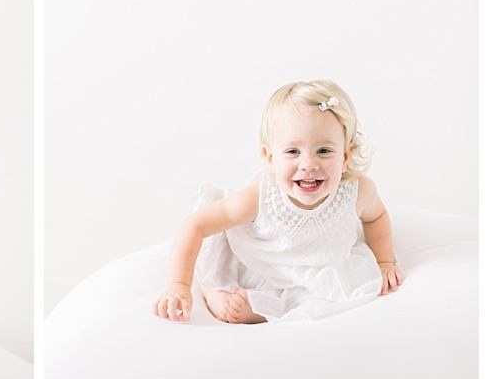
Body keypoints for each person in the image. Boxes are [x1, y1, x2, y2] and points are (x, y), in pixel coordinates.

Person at [153, 79, 402, 325]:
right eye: (293, 152)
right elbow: (196, 225)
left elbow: (376, 216)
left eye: (324, 151)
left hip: (314, 266)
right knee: (218, 264)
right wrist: (178, 284)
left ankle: (262, 310)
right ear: (270, 158)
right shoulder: (257, 198)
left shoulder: (358, 191)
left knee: (328, 296)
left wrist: (385, 261)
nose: (308, 165)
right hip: (262, 262)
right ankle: (214, 292)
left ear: (345, 156)